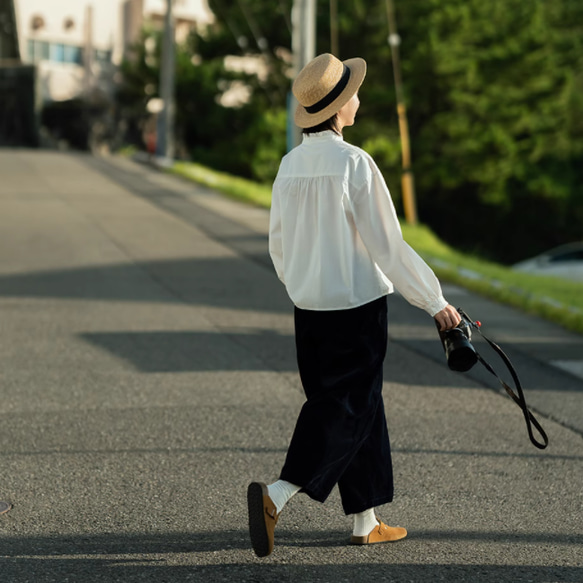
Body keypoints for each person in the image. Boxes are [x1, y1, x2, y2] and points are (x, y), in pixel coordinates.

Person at [247, 53, 461, 558]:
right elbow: (388, 246)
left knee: (357, 406)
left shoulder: (289, 165)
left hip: (309, 311)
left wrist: (302, 284)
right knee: (345, 409)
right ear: (340, 107)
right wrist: (435, 302)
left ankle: (366, 520)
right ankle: (276, 495)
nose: (358, 100)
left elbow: (277, 245)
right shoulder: (354, 163)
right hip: (356, 309)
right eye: (353, 95)